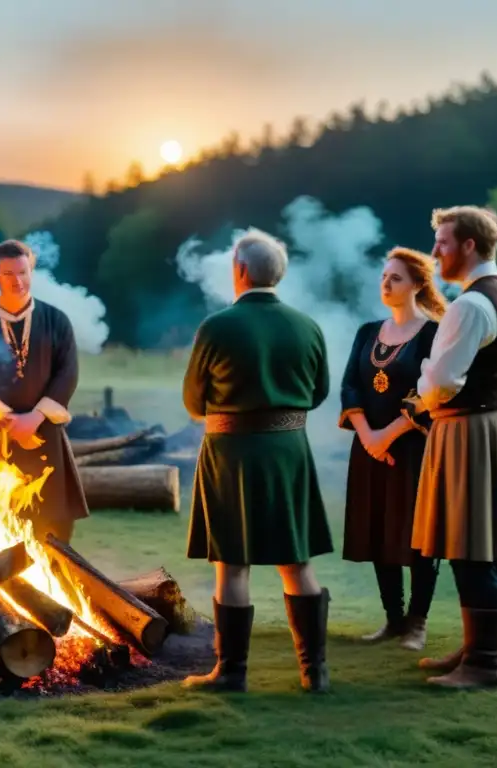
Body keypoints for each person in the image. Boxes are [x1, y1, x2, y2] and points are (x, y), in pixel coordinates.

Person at [181, 231, 333, 694]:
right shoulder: (308, 326)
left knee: (232, 564)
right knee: (297, 562)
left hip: (232, 456)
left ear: (240, 270)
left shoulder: (217, 327)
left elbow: (193, 401)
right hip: (289, 453)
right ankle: (315, 673)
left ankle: (230, 674)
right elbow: (319, 392)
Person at [407, 206, 497, 690]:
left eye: (442, 242)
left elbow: (440, 382)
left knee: (471, 548)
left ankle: (482, 666)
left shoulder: (470, 306)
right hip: (495, 426)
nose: (435, 252)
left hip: (469, 432)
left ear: (469, 246)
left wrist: (421, 390)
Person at [339, 248, 446, 651]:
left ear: (417, 284)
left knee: (418, 537)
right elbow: (351, 385)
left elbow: (431, 394)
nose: (386, 284)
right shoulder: (367, 331)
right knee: (380, 531)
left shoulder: (434, 333)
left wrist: (390, 434)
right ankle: (393, 619)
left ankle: (418, 624)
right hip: (370, 450)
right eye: (384, 277)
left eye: (396, 278)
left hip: (415, 451)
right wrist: (368, 436)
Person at [0, 239, 89, 543]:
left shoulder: (56, 321)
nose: (18, 281)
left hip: (45, 435)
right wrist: (6, 419)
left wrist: (34, 418)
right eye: (8, 274)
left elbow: (68, 373)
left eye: (23, 272)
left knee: (54, 528)